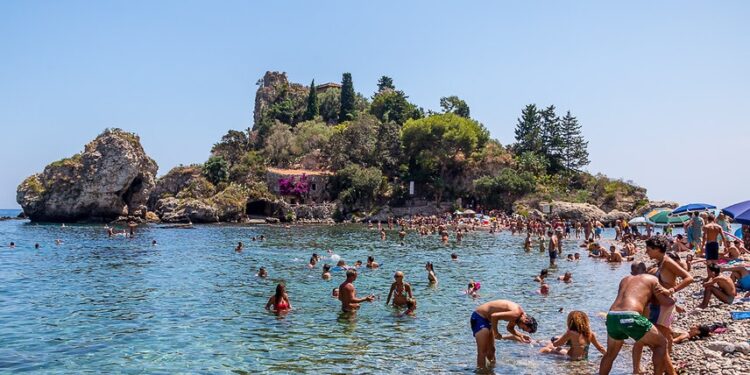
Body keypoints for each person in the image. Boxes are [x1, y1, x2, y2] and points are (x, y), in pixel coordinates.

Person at [599, 273, 673, 375]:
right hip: (630, 315)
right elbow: (666, 302)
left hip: (612, 316)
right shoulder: (653, 279)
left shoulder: (625, 279)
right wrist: (671, 293)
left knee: (610, 354)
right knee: (661, 343)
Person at [470, 299, 538, 370]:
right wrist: (496, 333)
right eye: (523, 328)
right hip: (479, 317)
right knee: (482, 352)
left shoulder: (519, 317)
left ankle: (491, 371)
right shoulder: (516, 314)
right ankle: (482, 372)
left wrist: (520, 335)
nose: (521, 329)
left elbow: (510, 328)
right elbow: (494, 316)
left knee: (491, 351)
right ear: (526, 320)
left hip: (488, 320)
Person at [540, 310, 606, 361]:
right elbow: (600, 348)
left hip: (571, 359)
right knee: (560, 349)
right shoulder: (590, 333)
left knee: (547, 348)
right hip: (583, 359)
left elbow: (557, 344)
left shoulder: (570, 333)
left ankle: (535, 357)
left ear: (570, 322)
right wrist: (608, 355)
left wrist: (553, 341)